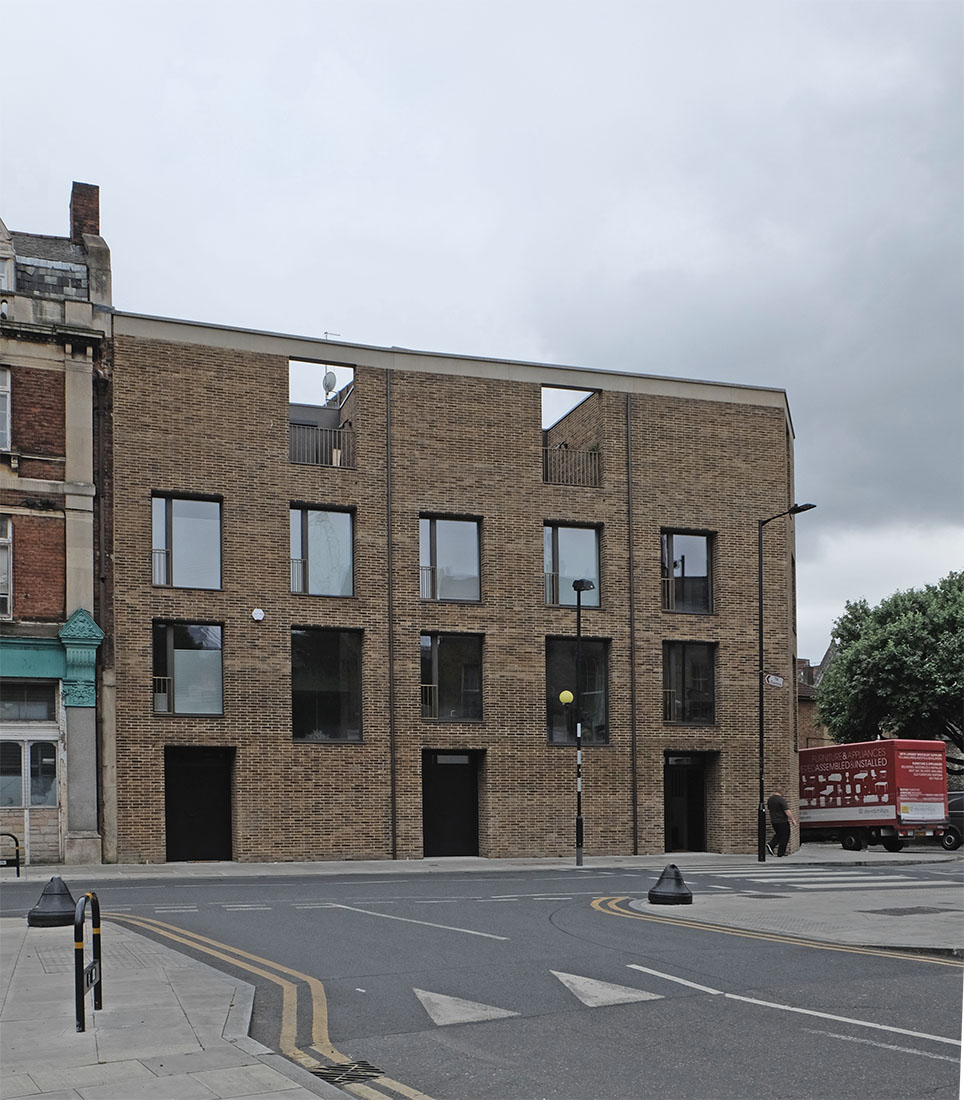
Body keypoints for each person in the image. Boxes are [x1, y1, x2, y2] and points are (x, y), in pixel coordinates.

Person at [766, 785, 796, 857]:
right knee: (785, 836)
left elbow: (769, 808)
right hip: (782, 821)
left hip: (774, 821)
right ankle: (780, 852)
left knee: (779, 834)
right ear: (781, 791)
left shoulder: (770, 799)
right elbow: (787, 811)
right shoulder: (781, 800)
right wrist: (793, 820)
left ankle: (771, 845)